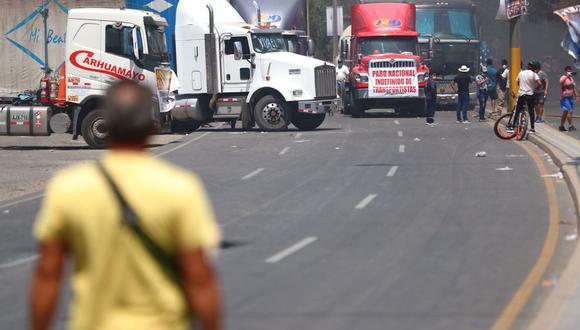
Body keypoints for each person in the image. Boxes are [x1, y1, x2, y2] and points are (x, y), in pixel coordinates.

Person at [30, 80, 222, 330]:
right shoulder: (180, 189)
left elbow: (48, 274)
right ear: (151, 126)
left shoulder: (68, 189)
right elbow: (200, 279)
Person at [513, 61, 541, 133]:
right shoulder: (534, 74)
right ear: (534, 68)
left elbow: (518, 82)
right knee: (531, 111)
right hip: (530, 95)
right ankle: (532, 128)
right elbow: (539, 83)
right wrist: (534, 88)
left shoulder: (521, 73)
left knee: (518, 110)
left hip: (522, 94)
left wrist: (521, 87)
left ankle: (513, 126)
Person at [559, 65, 580, 131]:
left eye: (570, 71)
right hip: (565, 98)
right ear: (565, 72)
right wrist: (567, 76)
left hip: (570, 98)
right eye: (568, 71)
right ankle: (570, 126)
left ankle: (561, 126)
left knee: (565, 112)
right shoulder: (563, 77)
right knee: (570, 111)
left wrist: (577, 96)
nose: (570, 72)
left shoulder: (571, 79)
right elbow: (561, 82)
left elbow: (573, 88)